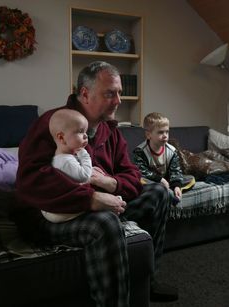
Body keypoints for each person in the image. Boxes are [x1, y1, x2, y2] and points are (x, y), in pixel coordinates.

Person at [14, 61, 178, 307]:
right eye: (110, 93)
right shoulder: (55, 123)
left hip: (103, 202)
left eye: (120, 93)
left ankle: (148, 280)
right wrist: (89, 199)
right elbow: (30, 181)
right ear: (84, 94)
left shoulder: (109, 130)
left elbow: (132, 176)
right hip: (50, 215)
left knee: (158, 193)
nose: (119, 100)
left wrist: (109, 183)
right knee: (104, 223)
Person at [42, 109, 92, 223]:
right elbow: (85, 176)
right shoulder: (65, 161)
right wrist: (84, 154)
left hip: (58, 209)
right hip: (60, 213)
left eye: (85, 131)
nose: (85, 136)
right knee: (102, 205)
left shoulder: (62, 158)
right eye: (80, 131)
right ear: (61, 138)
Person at [133, 112, 184, 203]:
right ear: (148, 135)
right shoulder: (140, 151)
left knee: (191, 179)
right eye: (160, 132)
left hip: (167, 181)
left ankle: (172, 190)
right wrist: (160, 179)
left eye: (167, 132)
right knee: (138, 180)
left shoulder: (172, 151)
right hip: (152, 181)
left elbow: (175, 171)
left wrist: (177, 186)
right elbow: (141, 171)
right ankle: (166, 193)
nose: (165, 135)